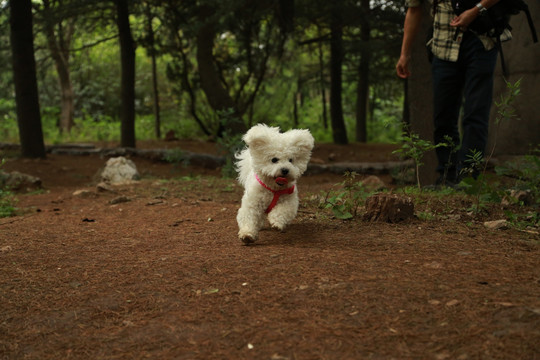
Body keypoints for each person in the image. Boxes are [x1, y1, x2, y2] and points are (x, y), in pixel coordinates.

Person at [396, 0, 505, 185]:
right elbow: (413, 10)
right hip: (443, 46)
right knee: (443, 116)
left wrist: (475, 10)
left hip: (481, 42)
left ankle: (469, 178)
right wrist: (404, 54)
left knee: (475, 113)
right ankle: (447, 176)